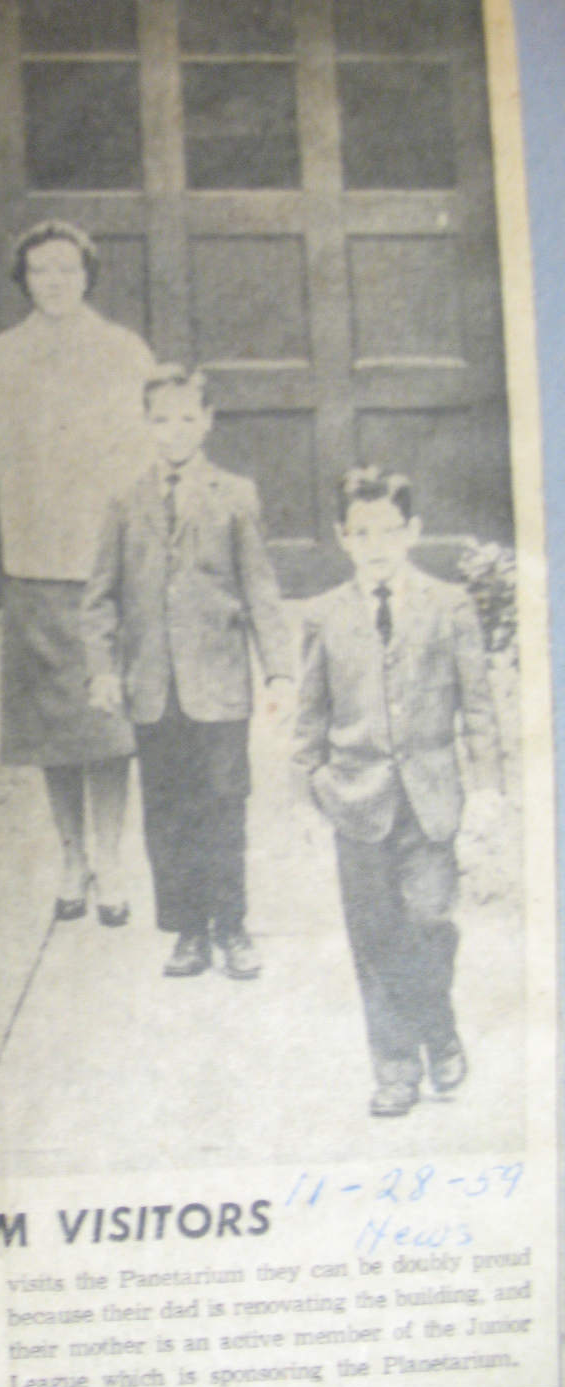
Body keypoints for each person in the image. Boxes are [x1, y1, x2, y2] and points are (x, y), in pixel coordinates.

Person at [0, 221, 155, 924]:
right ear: (24, 280)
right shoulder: (2, 357)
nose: (55, 282)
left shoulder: (125, 352)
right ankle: (71, 858)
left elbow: (151, 458)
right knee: (53, 727)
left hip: (105, 567)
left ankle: (113, 860)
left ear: (88, 274)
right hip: (34, 563)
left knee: (108, 725)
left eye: (67, 269)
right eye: (40, 272)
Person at [293, 466, 503, 1116]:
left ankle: (437, 1029)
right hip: (355, 802)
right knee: (373, 935)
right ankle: (395, 1068)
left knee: (429, 921)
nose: (377, 544)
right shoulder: (324, 615)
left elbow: (479, 708)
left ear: (412, 531)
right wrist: (309, 793)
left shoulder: (449, 606)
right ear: (342, 537)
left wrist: (489, 791)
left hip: (431, 800)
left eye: (389, 529)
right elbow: (309, 721)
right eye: (362, 532)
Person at [82, 365, 293, 976]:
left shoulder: (235, 495)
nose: (174, 430)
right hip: (153, 689)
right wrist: (102, 668)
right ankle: (187, 930)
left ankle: (231, 926)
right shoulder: (125, 502)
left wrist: (278, 671)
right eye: (161, 419)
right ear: (145, 423)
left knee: (223, 804)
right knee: (167, 808)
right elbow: (100, 597)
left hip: (220, 688)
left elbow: (260, 591)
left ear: (207, 421)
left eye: (186, 418)